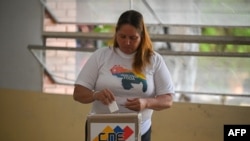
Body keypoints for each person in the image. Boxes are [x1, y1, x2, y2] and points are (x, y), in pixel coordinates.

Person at [73, 10, 175, 141]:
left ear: (142, 36)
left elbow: (167, 100)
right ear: (116, 34)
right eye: (122, 36)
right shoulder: (101, 56)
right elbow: (78, 93)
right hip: (102, 129)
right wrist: (95, 95)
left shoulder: (154, 60)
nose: (127, 42)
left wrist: (146, 103)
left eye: (133, 38)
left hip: (138, 131)